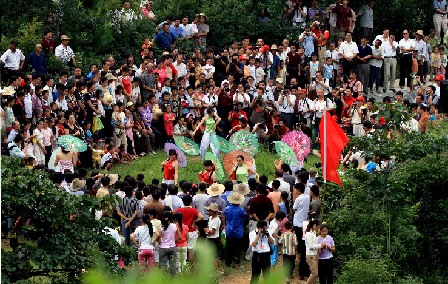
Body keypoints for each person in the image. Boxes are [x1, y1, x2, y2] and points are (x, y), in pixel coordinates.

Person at [175, 195, 203, 262]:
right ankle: (191, 267)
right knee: (191, 250)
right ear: (191, 202)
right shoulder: (193, 210)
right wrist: (195, 221)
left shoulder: (178, 210)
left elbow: (173, 217)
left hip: (181, 231)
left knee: (181, 249)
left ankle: (181, 265)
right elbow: (201, 217)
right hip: (191, 231)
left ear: (183, 202)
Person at [224, 192, 247, 268]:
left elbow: (225, 217)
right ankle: (236, 262)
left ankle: (227, 262)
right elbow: (245, 217)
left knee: (229, 246)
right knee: (238, 247)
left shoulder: (227, 209)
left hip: (229, 230)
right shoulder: (241, 210)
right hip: (238, 231)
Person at [305, 219, 324, 284]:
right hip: (311, 255)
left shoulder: (314, 233)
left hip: (314, 255)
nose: (318, 228)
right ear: (314, 225)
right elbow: (311, 246)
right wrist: (320, 245)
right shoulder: (308, 234)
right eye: (317, 226)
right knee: (315, 273)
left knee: (316, 274)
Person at [204, 203, 223, 270]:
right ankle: (220, 268)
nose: (208, 211)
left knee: (213, 256)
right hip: (211, 238)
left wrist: (207, 230)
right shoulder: (210, 218)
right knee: (215, 256)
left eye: (209, 210)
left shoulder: (216, 220)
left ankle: (216, 269)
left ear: (213, 211)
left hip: (214, 239)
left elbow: (212, 232)